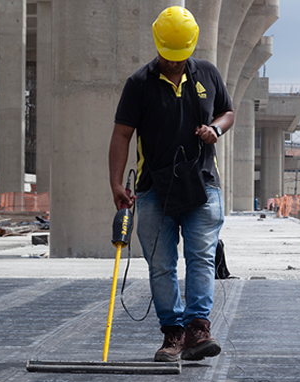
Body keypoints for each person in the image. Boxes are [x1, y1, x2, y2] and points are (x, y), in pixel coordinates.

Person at [106, 6, 234, 363]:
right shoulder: (139, 84)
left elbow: (228, 111)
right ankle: (173, 333)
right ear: (157, 44)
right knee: (160, 265)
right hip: (152, 189)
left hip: (202, 185)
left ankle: (197, 328)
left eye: (180, 58)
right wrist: (116, 183)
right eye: (168, 57)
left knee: (201, 258)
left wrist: (216, 129)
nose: (174, 64)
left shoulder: (207, 74)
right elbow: (122, 134)